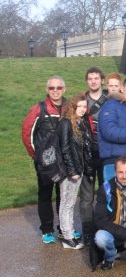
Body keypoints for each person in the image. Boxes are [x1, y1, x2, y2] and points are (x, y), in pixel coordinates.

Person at [22, 76, 67, 243]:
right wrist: (36, 156)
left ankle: (64, 228)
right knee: (45, 194)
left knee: (64, 195)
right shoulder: (38, 109)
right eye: (52, 88)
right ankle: (47, 229)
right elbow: (27, 134)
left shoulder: (69, 107)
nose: (55, 90)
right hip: (45, 163)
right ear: (47, 90)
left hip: (63, 162)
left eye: (58, 87)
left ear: (64, 89)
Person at [56, 94, 92, 249]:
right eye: (80, 106)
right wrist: (72, 170)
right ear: (73, 107)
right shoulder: (65, 123)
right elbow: (65, 148)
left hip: (79, 168)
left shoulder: (80, 122)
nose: (83, 110)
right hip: (70, 170)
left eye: (85, 106)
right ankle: (67, 236)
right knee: (66, 203)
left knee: (70, 202)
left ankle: (69, 232)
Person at [79, 67, 107, 244]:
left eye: (96, 78)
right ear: (87, 81)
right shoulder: (81, 101)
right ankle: (88, 231)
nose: (93, 81)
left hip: (105, 153)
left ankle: (104, 227)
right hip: (87, 153)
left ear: (102, 80)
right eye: (90, 79)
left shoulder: (110, 99)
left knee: (106, 192)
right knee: (87, 196)